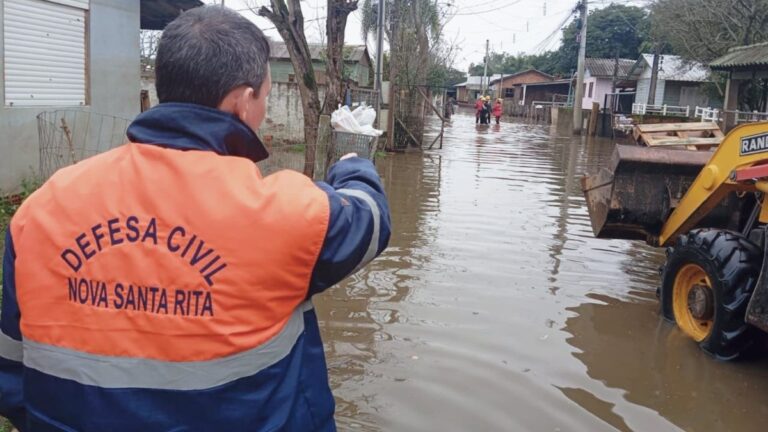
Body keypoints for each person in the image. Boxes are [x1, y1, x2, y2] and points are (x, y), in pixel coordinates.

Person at [0, 6, 390, 432]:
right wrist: (353, 161)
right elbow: (369, 219)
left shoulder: (41, 209)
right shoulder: (281, 213)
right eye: (264, 94)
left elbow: (13, 376)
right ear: (243, 102)